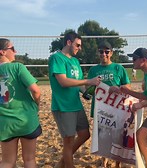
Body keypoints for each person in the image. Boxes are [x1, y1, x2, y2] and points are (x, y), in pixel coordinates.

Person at [48, 31, 101, 168]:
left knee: (85, 134)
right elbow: (63, 82)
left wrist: (90, 93)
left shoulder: (75, 61)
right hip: (63, 106)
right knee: (68, 141)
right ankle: (67, 164)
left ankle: (62, 162)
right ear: (68, 42)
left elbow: (79, 84)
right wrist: (89, 81)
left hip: (76, 105)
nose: (80, 48)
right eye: (78, 45)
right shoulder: (57, 58)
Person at [87, 41, 131, 168]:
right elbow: (88, 87)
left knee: (117, 137)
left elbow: (127, 86)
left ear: (111, 53)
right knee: (103, 138)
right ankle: (104, 162)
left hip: (117, 109)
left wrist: (117, 87)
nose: (104, 54)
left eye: (107, 52)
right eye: (101, 51)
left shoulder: (118, 68)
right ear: (98, 53)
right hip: (100, 108)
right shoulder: (94, 70)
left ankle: (117, 163)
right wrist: (91, 87)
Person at [0, 38, 42, 167]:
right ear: (2, 52)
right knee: (29, 159)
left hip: (5, 123)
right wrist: (36, 105)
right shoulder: (17, 67)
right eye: (12, 48)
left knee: (7, 161)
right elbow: (36, 91)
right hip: (26, 119)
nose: (15, 51)